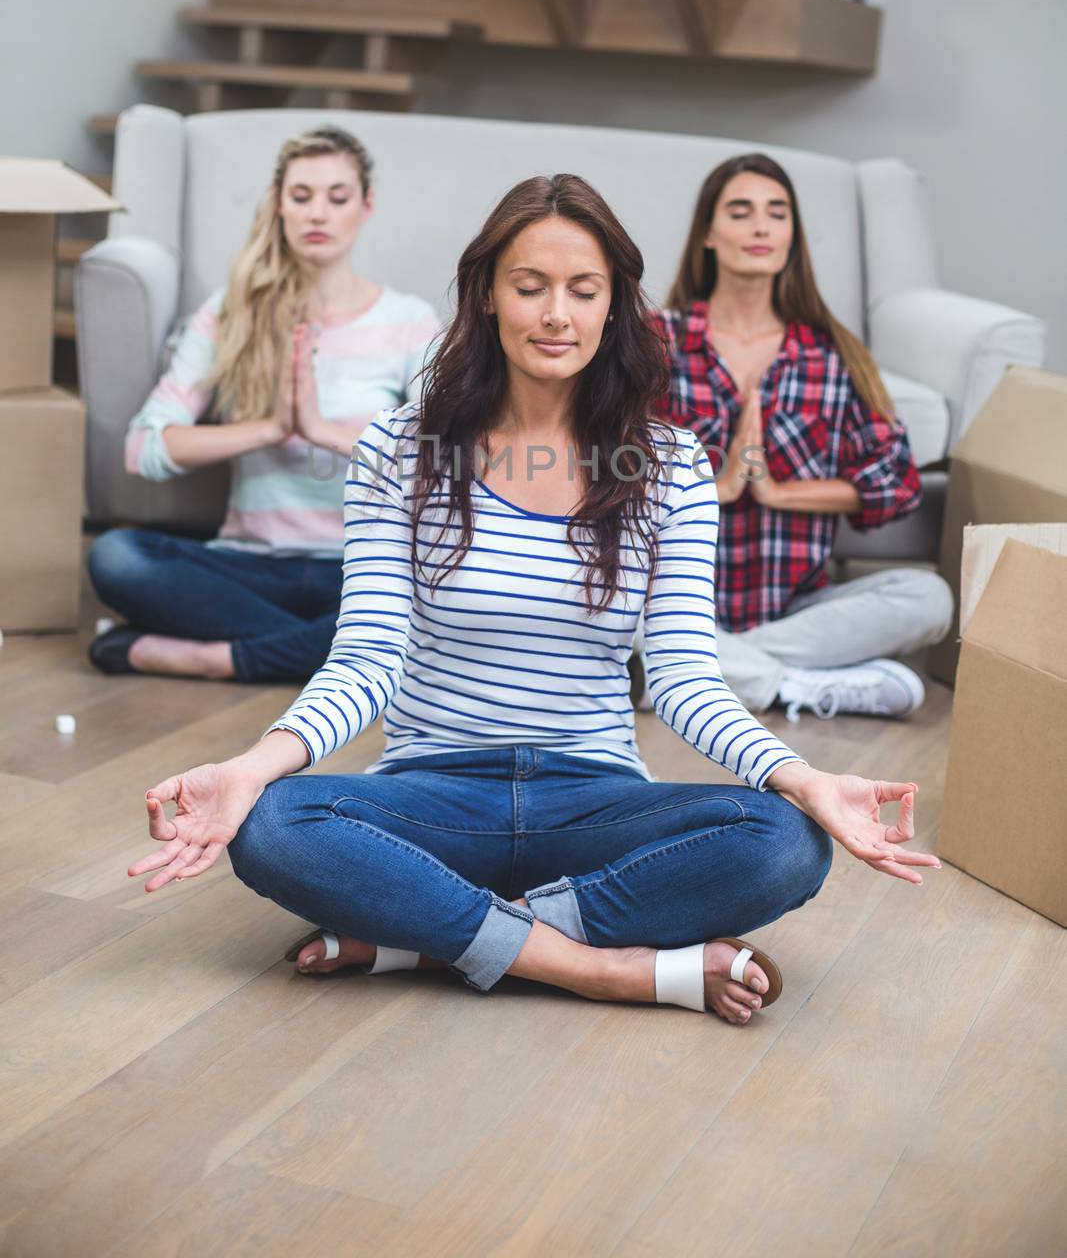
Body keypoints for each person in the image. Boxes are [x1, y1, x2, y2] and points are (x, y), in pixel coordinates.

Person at [127, 173, 941, 1027]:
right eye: (530, 286)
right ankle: (600, 970)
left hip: (591, 795)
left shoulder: (668, 466)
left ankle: (428, 938)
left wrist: (805, 781)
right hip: (432, 791)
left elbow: (681, 678)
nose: (557, 313)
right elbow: (366, 659)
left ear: (613, 307)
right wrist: (252, 768)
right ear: (485, 295)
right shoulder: (398, 448)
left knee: (784, 843)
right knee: (275, 825)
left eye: (583, 291)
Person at [88, 125, 440, 685]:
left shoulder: (409, 322)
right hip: (249, 564)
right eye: (301, 197)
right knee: (116, 557)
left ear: (365, 207)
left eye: (337, 197)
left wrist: (323, 429)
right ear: (280, 206)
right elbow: (144, 449)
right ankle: (338, 658)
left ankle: (215, 657)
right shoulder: (232, 312)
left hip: (357, 570)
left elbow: (440, 463)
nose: (317, 214)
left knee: (437, 597)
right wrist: (271, 427)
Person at [645, 152, 954, 724]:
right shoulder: (657, 341)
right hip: (673, 604)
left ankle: (711, 673)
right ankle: (795, 685)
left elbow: (899, 481)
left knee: (930, 600)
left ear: (792, 234)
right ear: (708, 234)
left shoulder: (830, 353)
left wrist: (781, 493)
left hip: (797, 610)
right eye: (740, 211)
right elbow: (606, 476)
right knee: (613, 610)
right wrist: (719, 485)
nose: (761, 226)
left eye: (777, 213)